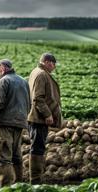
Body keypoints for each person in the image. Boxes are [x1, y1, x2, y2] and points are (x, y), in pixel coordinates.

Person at [0, 59, 30, 187]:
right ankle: (20, 185)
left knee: (4, 157)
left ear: (2, 68)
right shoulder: (23, 81)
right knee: (17, 155)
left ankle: (6, 187)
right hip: (20, 122)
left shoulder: (4, 81)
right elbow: (29, 103)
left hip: (6, 123)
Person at [27, 53, 62, 183]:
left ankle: (36, 178)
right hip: (38, 118)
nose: (54, 67)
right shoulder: (41, 74)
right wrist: (47, 114)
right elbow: (38, 98)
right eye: (54, 64)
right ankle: (35, 180)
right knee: (37, 147)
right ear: (47, 62)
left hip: (36, 116)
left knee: (38, 146)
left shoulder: (37, 71)